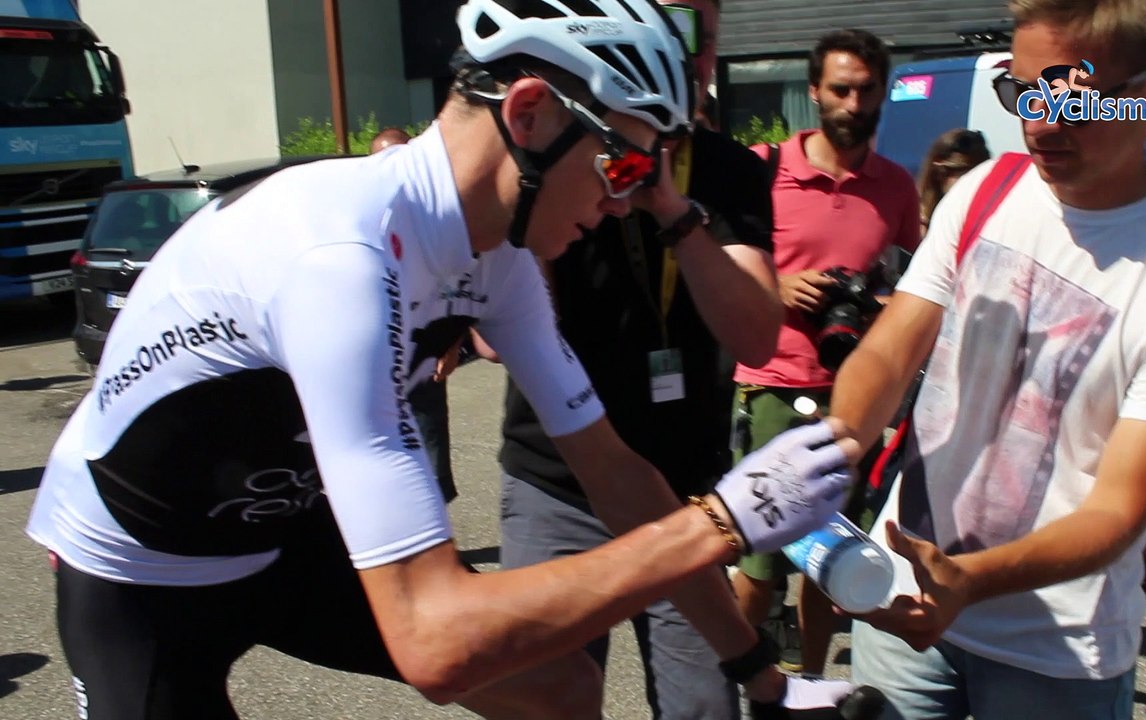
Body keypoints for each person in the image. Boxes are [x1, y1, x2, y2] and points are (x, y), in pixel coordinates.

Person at [23, 1, 862, 717]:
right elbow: (434, 640)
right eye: (624, 163)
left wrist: (759, 675)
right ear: (528, 113)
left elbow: (615, 473)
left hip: (288, 535)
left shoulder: (496, 261)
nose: (621, 205)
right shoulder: (338, 258)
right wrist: (721, 520)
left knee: (556, 686)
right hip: (142, 566)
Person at [828, 1, 1146, 717]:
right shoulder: (986, 190)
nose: (1040, 123)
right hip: (899, 603)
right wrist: (835, 445)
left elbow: (1121, 511)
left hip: (1056, 653)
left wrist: (967, 581)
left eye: (1071, 98)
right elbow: (889, 349)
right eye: (1021, 90)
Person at [496, 0, 781, 717]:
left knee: (702, 707)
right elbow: (502, 313)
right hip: (556, 479)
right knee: (549, 699)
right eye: (668, 35)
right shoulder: (566, 143)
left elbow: (756, 338)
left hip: (684, 488)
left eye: (703, 42)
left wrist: (672, 210)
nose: (686, 59)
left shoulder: (727, 171)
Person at [730, 28, 921, 676]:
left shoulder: (896, 186)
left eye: (866, 89)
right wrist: (778, 286)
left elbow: (911, 285)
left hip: (851, 396)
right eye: (840, 88)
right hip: (771, 388)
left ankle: (810, 683)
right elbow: (726, 271)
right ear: (814, 92)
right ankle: (724, 680)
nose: (853, 102)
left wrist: (878, 303)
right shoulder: (763, 169)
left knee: (829, 557)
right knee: (758, 565)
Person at [369, 126, 463, 505]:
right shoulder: (364, 217)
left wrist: (453, 344)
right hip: (376, 363)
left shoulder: (433, 219)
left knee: (431, 448)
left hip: (424, 357)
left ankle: (444, 549)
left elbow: (459, 286)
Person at [916, 128, 990, 236]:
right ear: (939, 174)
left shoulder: (989, 222)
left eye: (983, 174)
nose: (975, 183)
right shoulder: (916, 221)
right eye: (965, 173)